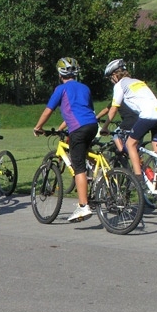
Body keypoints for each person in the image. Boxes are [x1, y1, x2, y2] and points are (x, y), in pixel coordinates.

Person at [34, 57, 98, 222]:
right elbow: (85, 110)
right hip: (92, 125)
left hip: (78, 129)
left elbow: (48, 110)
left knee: (78, 167)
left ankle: (83, 206)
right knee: (85, 153)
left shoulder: (61, 89)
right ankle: (98, 177)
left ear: (59, 74)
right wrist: (62, 127)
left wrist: (38, 127)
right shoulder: (84, 88)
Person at [100, 58, 157, 181]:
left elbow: (114, 108)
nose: (111, 81)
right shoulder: (138, 81)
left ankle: (137, 179)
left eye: (110, 78)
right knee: (156, 146)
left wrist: (105, 127)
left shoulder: (120, 85)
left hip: (148, 115)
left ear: (114, 75)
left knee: (130, 144)